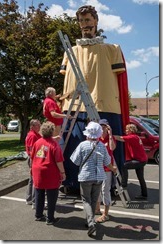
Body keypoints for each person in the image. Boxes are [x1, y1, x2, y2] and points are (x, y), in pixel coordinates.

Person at [60, 5, 129, 189]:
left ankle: (111, 185)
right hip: (74, 108)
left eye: (88, 20)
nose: (84, 25)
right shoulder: (70, 52)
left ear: (96, 21)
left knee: (106, 149)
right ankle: (71, 182)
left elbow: (119, 77)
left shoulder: (111, 49)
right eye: (81, 21)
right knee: (73, 147)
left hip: (105, 105)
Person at [70, 121, 117, 236]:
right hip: (99, 177)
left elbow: (75, 161)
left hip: (86, 176)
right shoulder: (101, 146)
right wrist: (113, 169)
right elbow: (107, 162)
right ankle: (89, 221)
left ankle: (90, 222)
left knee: (86, 200)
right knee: (93, 199)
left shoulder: (82, 145)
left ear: (88, 133)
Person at [31, 121, 66, 225]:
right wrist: (63, 172)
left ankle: (38, 214)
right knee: (51, 195)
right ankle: (50, 218)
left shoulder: (37, 142)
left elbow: (32, 157)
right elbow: (59, 160)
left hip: (37, 170)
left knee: (39, 193)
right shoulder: (54, 144)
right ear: (52, 131)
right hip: (49, 171)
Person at [114, 124, 148, 200]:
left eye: (127, 129)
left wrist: (110, 135)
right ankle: (144, 194)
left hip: (139, 160)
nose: (125, 131)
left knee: (124, 166)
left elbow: (120, 138)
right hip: (142, 159)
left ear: (131, 130)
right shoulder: (136, 137)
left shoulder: (132, 137)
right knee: (141, 177)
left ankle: (123, 185)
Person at [95, 119, 117, 223]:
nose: (102, 128)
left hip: (107, 167)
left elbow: (112, 148)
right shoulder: (97, 138)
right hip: (98, 167)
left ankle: (105, 214)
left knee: (105, 190)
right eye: (101, 126)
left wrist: (111, 134)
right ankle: (97, 209)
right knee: (97, 188)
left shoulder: (109, 138)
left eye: (104, 126)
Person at [25, 119, 41, 209]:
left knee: (32, 180)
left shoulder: (35, 134)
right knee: (35, 180)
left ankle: (29, 199)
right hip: (33, 159)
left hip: (33, 158)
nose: (40, 127)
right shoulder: (32, 136)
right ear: (32, 126)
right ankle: (35, 202)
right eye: (38, 125)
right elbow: (31, 150)